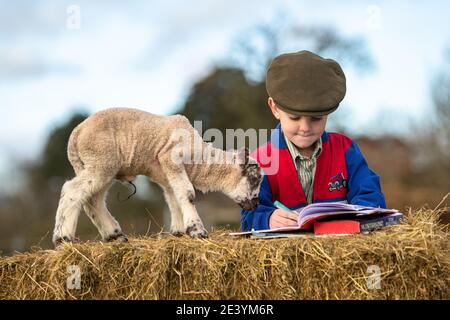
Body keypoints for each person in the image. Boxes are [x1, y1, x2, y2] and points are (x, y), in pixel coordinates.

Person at [241, 50, 386, 231]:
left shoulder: (346, 149)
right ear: (275, 108)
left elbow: (370, 194)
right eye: (294, 118)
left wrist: (361, 215)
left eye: (316, 119)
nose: (305, 127)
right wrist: (268, 218)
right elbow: (249, 216)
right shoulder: (259, 161)